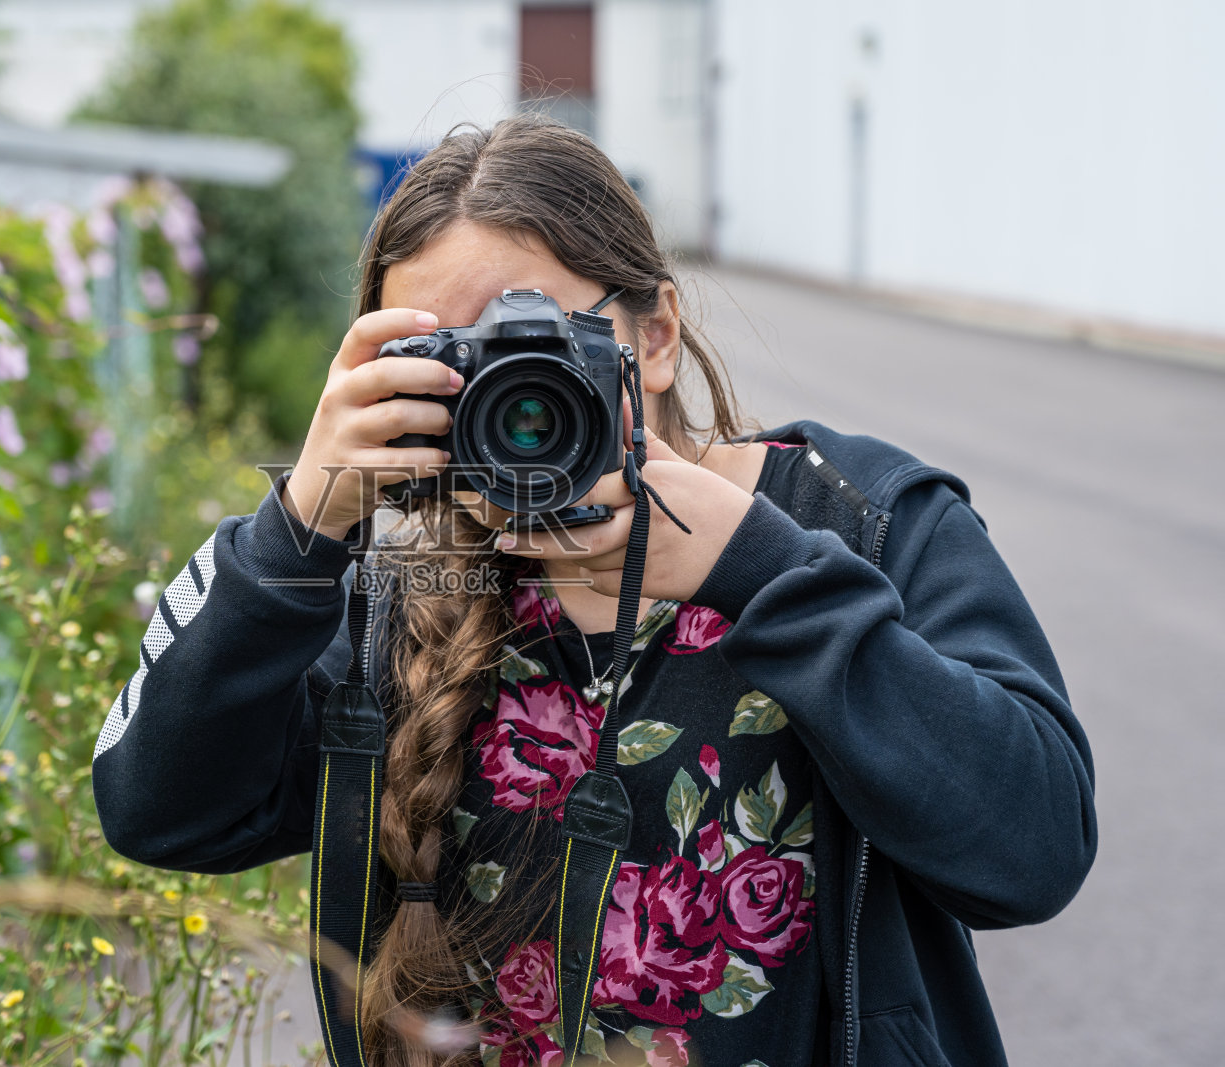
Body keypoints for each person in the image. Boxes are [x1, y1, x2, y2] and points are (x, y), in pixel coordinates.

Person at [91, 114, 1097, 1067]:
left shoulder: (862, 521)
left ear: (654, 335)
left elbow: (1032, 847)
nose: (503, 394)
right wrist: (295, 531)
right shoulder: (379, 575)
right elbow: (159, 811)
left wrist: (757, 568)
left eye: (534, 342)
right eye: (449, 361)